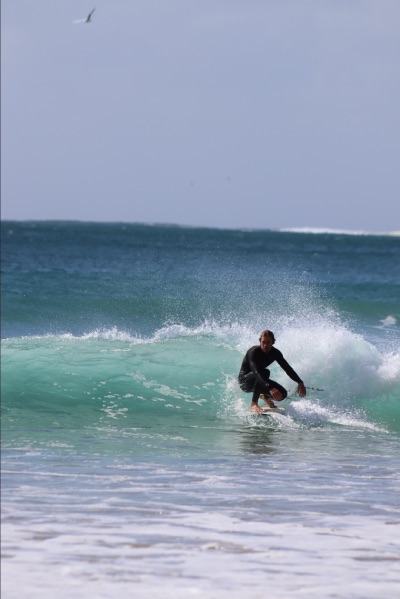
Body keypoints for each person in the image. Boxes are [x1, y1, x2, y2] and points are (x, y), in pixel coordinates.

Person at [238, 329, 306, 412]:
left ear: (273, 342)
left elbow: (287, 368)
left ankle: (264, 396)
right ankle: (254, 404)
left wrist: (299, 382)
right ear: (260, 341)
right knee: (265, 372)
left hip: (260, 380)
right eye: (263, 342)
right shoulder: (254, 352)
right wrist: (270, 387)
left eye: (268, 342)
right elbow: (256, 372)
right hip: (245, 382)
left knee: (282, 394)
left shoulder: (275, 353)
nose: (265, 345)